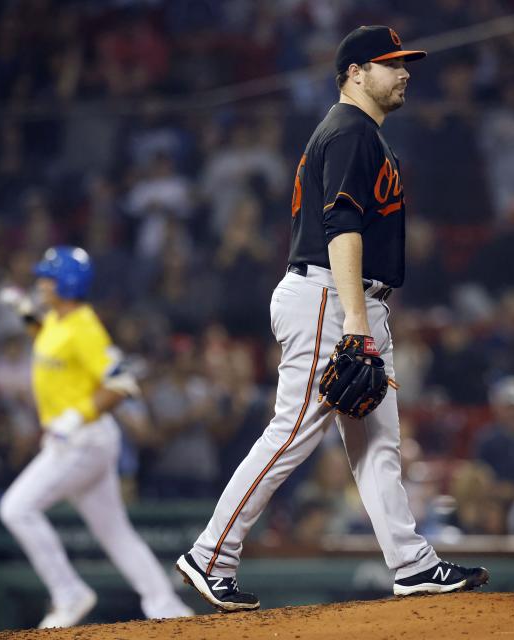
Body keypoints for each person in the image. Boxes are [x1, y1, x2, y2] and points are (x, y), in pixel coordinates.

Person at [175, 26, 489, 613]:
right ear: (354, 73)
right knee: (293, 431)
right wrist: (354, 322)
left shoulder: (360, 133)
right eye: (390, 63)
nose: (404, 72)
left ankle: (413, 564)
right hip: (330, 295)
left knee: (377, 446)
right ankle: (211, 553)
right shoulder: (349, 132)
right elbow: (342, 226)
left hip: (347, 298)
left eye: (404, 63)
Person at [0, 246, 192, 628]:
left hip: (82, 438)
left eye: (47, 278)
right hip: (81, 439)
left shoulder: (85, 326)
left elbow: (122, 383)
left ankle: (69, 593)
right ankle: (165, 604)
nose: (40, 284)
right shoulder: (56, 319)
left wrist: (78, 414)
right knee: (115, 533)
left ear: (67, 283)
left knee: (16, 509)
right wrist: (23, 310)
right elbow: (47, 339)